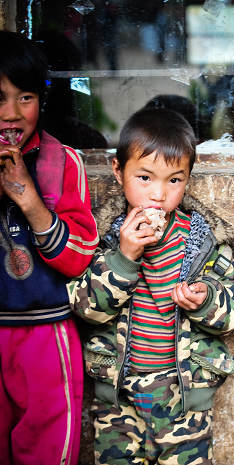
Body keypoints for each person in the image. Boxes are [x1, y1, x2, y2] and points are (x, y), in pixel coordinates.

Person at [67, 107, 234, 464]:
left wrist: (205, 300)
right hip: (118, 402)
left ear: (188, 179)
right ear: (118, 171)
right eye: (145, 177)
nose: (158, 194)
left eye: (174, 180)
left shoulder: (203, 240)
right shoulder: (102, 237)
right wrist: (124, 257)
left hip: (183, 400)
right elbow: (86, 310)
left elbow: (233, 315)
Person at [0, 31, 98, 465]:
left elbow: (77, 258)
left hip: (44, 332)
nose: (11, 114)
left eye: (25, 98)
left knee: (47, 448)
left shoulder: (61, 162)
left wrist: (29, 199)